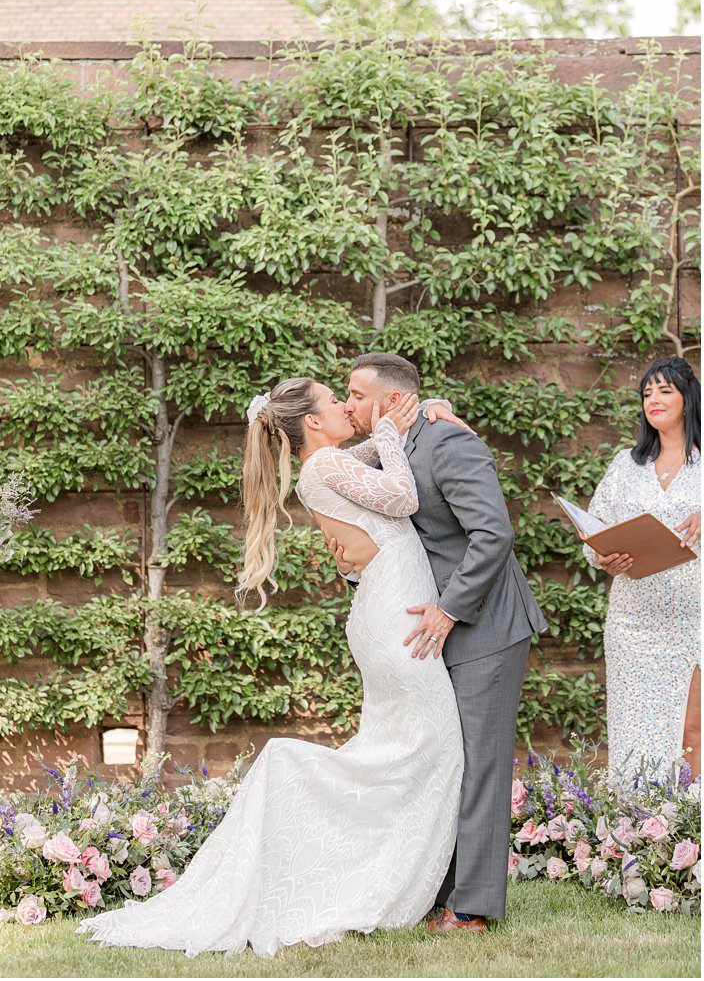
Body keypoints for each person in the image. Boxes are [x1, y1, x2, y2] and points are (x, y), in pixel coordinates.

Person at [79, 376, 463, 956]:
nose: (344, 406)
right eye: (335, 401)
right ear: (312, 421)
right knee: (423, 748)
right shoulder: (324, 468)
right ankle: (348, 850)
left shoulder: (328, 463)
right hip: (397, 620)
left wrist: (422, 413)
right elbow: (403, 497)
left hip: (388, 610)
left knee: (405, 748)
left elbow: (379, 473)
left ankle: (372, 872)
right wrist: (388, 426)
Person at [339, 352, 547, 935]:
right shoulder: (389, 453)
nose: (348, 404)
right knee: (444, 760)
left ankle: (473, 906)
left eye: (356, 394)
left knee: (480, 764)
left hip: (486, 627)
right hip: (435, 631)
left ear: (394, 398)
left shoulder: (448, 443)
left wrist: (450, 608)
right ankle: (439, 889)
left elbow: (493, 533)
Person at [584, 356, 701, 781]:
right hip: (633, 624)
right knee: (634, 735)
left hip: (694, 621)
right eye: (647, 392)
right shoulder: (624, 465)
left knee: (692, 730)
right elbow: (594, 530)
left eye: (664, 390)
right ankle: (638, 836)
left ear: (688, 399)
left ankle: (690, 835)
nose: (653, 398)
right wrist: (602, 557)